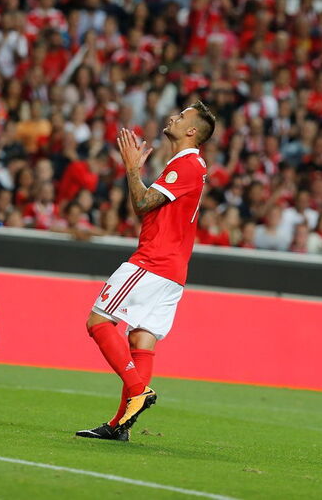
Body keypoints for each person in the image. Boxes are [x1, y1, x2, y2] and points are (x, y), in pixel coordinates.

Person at [76, 100, 216, 442]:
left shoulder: (185, 165)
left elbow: (141, 203)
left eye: (181, 116)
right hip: (173, 270)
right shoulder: (186, 165)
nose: (174, 116)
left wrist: (130, 167)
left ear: (192, 131)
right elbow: (147, 206)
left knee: (98, 320)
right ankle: (119, 427)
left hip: (153, 261)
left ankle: (139, 389)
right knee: (141, 338)